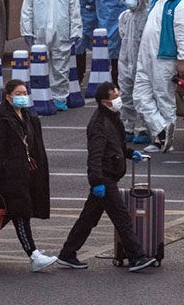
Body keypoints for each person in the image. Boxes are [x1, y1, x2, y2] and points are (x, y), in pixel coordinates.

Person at [57, 81, 157, 272]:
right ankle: (137, 257)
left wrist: (128, 154)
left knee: (88, 219)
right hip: (104, 178)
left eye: (118, 94)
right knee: (121, 217)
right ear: (105, 102)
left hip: (107, 177)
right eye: (115, 97)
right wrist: (96, 182)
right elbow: (94, 156)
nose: (119, 99)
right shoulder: (99, 124)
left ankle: (67, 254)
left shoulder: (113, 117)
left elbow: (116, 145)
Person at [0, 79, 57, 272]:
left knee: (0, 218)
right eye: (18, 94)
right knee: (21, 214)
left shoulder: (26, 116)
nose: (23, 96)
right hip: (8, 177)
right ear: (8, 96)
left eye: (24, 93)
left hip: (23, 174)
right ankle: (34, 255)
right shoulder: (2, 119)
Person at [134, 0, 184, 153]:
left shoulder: (180, 5)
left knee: (163, 98)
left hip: (165, 59)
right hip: (146, 57)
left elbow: (183, 34)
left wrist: (183, 58)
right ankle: (160, 130)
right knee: (140, 96)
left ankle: (164, 140)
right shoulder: (157, 2)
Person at [20, 0, 82, 111]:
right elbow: (27, 9)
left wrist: (75, 31)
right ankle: (40, 96)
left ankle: (59, 98)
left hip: (62, 34)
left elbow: (74, 11)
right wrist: (26, 30)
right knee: (40, 66)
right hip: (39, 34)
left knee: (60, 67)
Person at [118, 0, 150, 145]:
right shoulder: (124, 16)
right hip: (125, 61)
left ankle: (144, 128)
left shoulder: (148, 17)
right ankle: (127, 127)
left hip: (141, 62)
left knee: (142, 97)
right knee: (125, 95)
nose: (131, 1)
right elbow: (122, 35)